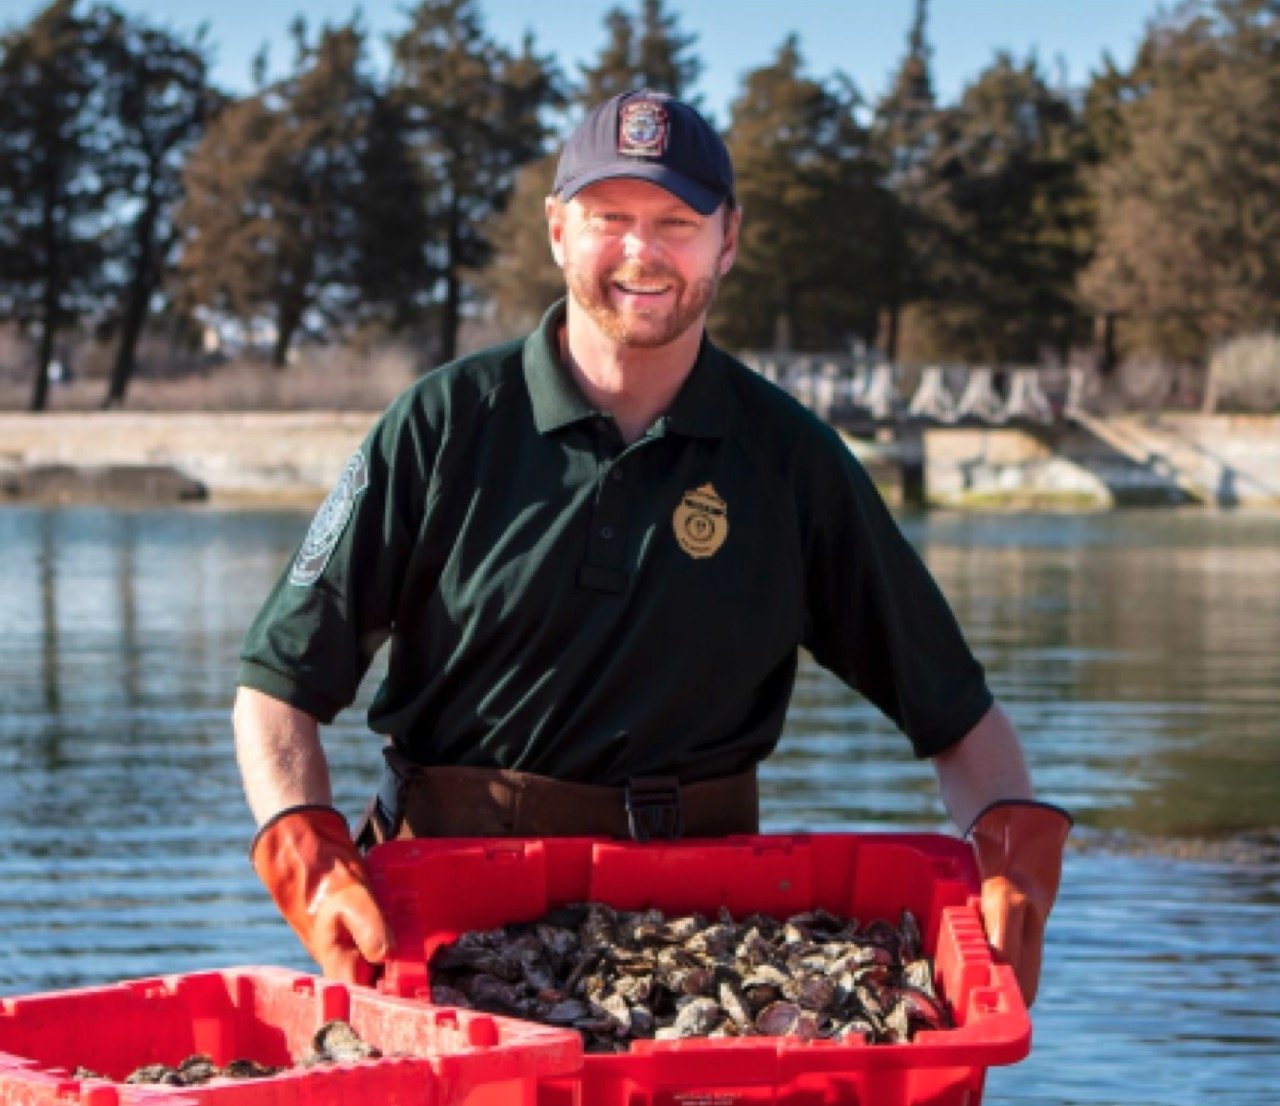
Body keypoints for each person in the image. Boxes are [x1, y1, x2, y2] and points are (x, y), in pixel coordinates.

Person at [234, 89, 1070, 1003]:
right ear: (557, 230)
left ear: (729, 240)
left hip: (714, 944)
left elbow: (955, 712)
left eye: (677, 221)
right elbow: (277, 691)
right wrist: (307, 851)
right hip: (445, 923)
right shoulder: (441, 426)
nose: (642, 250)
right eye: (610, 218)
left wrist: (1009, 845)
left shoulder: (790, 462)